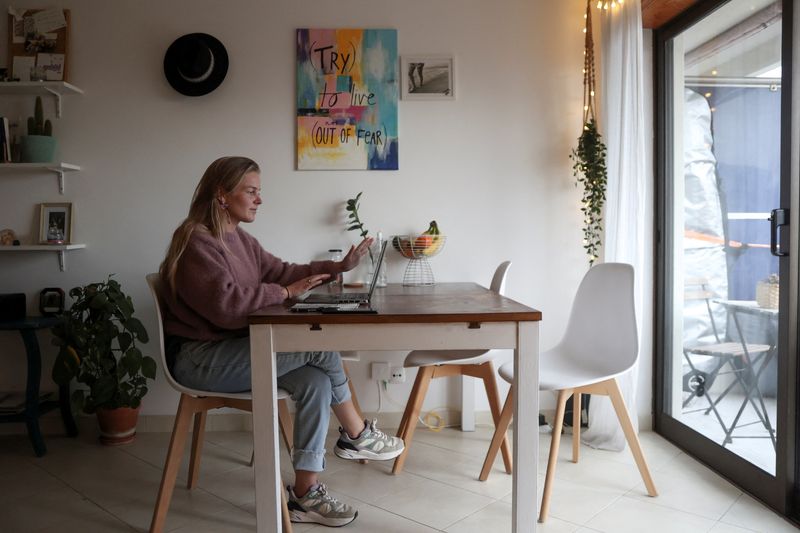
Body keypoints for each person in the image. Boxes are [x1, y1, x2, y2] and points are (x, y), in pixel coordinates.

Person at [159, 156, 404, 527]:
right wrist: (285, 291)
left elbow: (283, 271)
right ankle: (355, 433)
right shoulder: (198, 241)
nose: (259, 200)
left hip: (234, 349)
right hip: (200, 359)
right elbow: (228, 308)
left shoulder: (240, 239)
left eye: (260, 192)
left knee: (317, 380)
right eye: (252, 191)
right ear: (222, 195)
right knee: (316, 346)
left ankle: (305, 494)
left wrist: (339, 267)